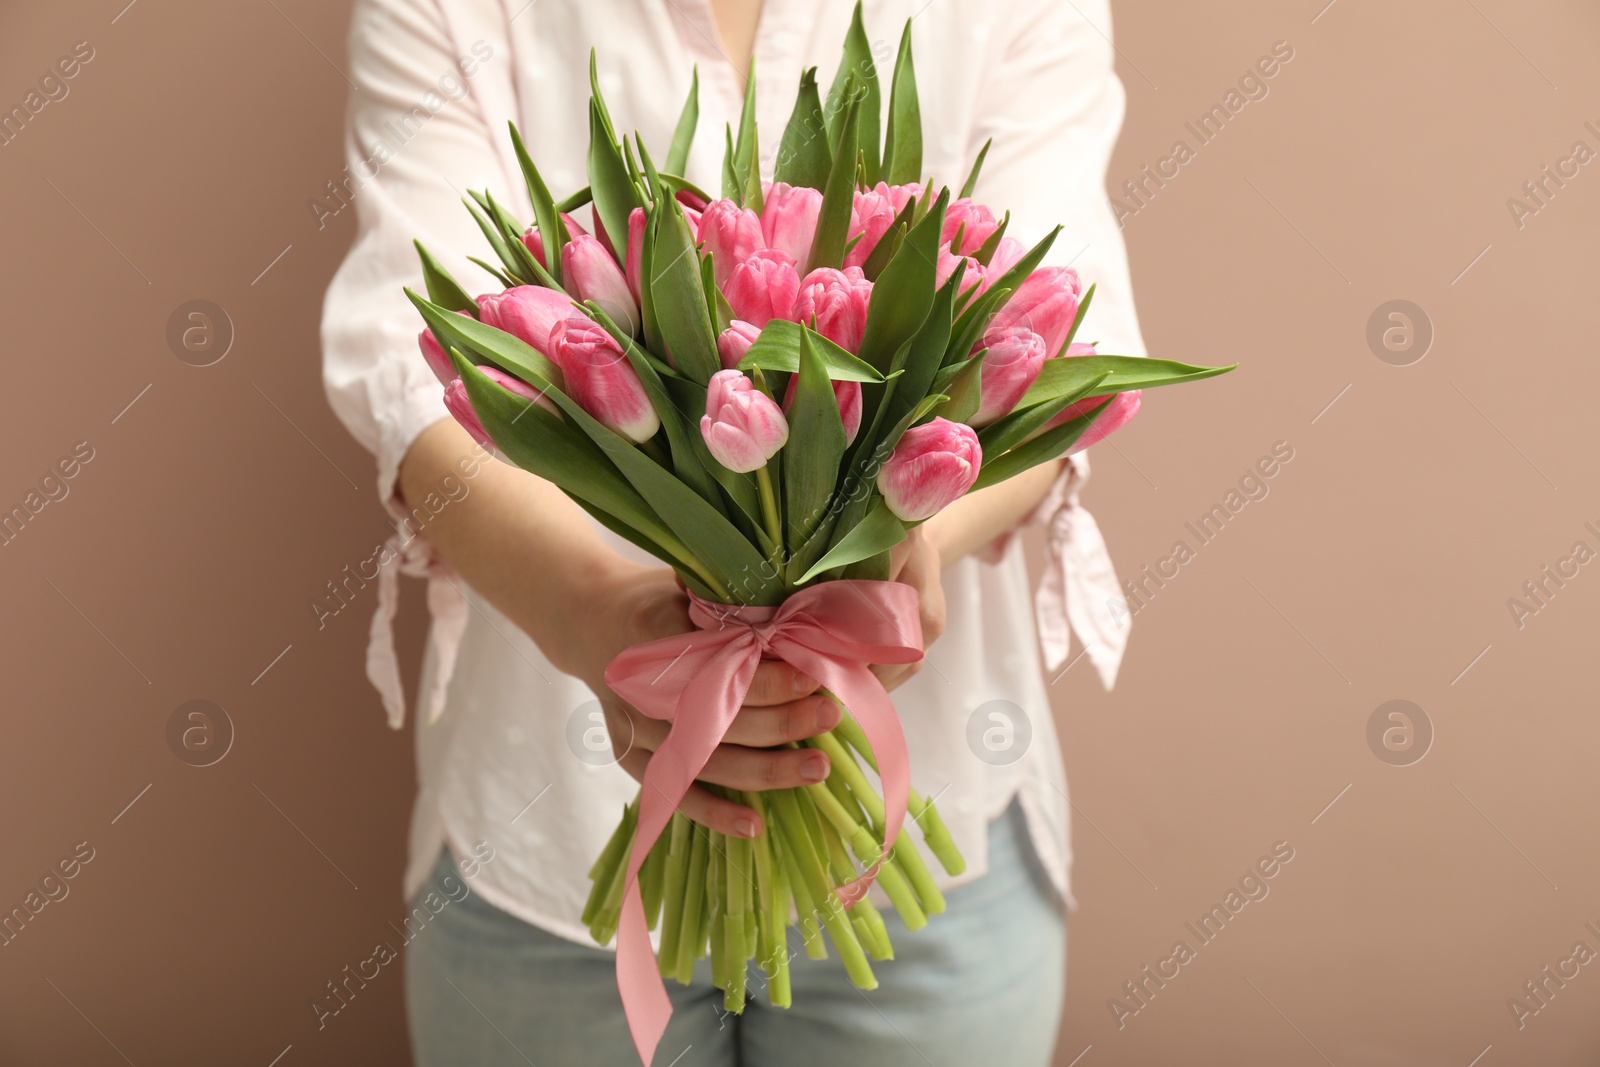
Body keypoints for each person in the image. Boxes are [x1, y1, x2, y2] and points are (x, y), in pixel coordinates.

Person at [321, 0, 1145, 1063]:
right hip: (545, 824)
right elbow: (412, 359)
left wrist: (903, 550)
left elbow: (1063, 327)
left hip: (941, 825)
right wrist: (599, 619)